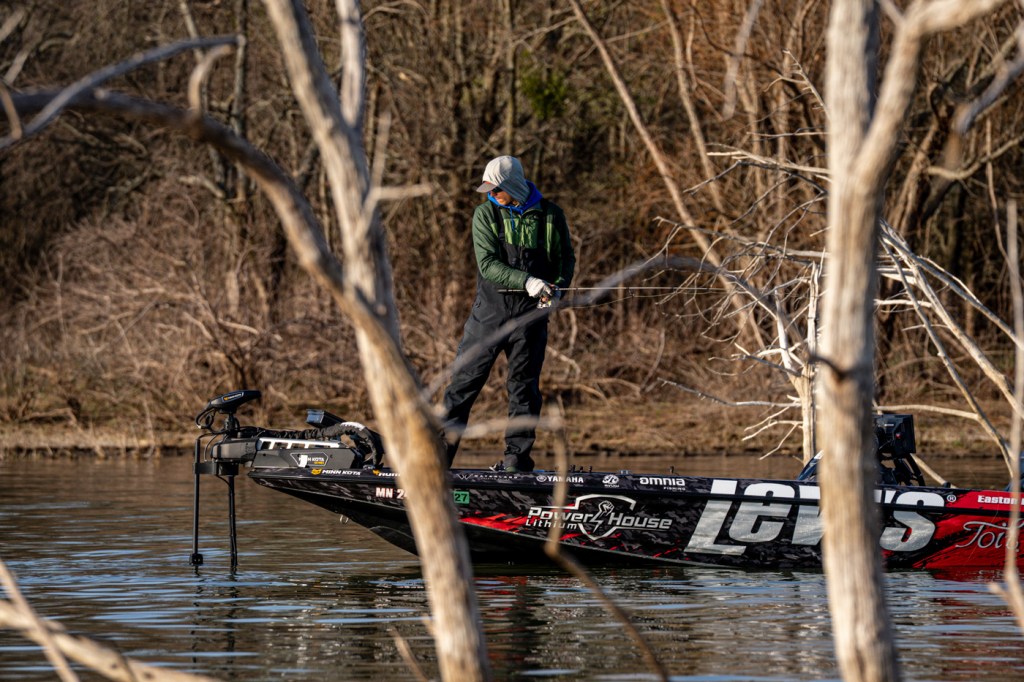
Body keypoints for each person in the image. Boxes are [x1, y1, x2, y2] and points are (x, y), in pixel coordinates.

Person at [442, 155, 575, 472]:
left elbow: (564, 260)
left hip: (530, 317)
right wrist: (527, 281)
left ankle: (516, 460)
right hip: (488, 315)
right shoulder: (485, 214)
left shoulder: (551, 215)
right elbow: (488, 265)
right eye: (488, 189)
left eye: (496, 189)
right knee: (463, 385)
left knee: (524, 390)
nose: (491, 194)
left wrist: (557, 289)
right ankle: (437, 460)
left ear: (513, 186)